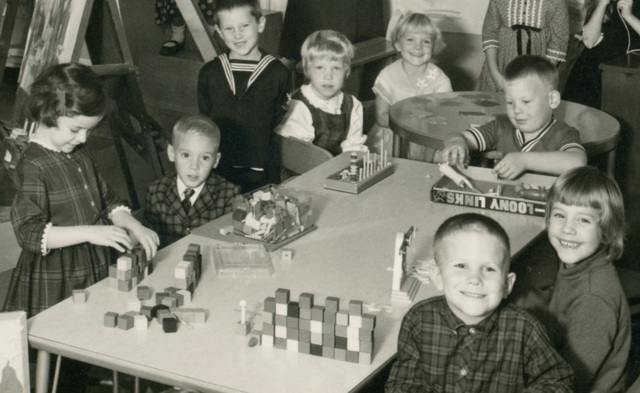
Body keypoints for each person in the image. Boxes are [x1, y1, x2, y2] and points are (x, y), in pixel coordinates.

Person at [2, 63, 159, 392]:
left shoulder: (80, 152)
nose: (84, 138)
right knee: (60, 358)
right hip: (55, 279)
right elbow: (29, 232)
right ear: (48, 112)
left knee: (89, 343)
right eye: (76, 129)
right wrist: (91, 231)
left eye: (89, 130)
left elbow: (108, 201)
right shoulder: (33, 163)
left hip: (90, 269)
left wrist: (131, 222)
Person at [385, 213, 574, 392]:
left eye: (489, 269)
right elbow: (403, 383)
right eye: (461, 266)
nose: (474, 279)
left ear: (507, 284)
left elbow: (557, 380)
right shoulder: (418, 320)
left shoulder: (525, 329)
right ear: (437, 276)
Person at [544, 166, 630, 392]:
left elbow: (569, 381)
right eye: (560, 215)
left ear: (606, 230)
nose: (567, 229)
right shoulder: (576, 264)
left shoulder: (593, 299)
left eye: (583, 220)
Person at [440, 55, 587, 180]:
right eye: (510, 102)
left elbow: (578, 162)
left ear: (552, 100)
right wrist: (456, 143)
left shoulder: (562, 133)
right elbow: (459, 136)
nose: (516, 110)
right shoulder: (501, 126)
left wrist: (525, 161)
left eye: (526, 101)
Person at [197, 0, 289, 193]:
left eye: (245, 26)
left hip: (262, 173)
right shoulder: (209, 72)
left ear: (261, 24)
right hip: (219, 173)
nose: (237, 35)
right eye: (229, 28)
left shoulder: (278, 73)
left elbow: (278, 118)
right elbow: (206, 119)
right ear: (219, 32)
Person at [145, 114, 241, 247]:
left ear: (216, 160)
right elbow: (149, 240)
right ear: (171, 153)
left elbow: (228, 245)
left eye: (205, 158)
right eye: (186, 155)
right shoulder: (157, 190)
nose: (194, 166)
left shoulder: (229, 194)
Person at [368, 12, 452, 161]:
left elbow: (445, 118)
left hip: (427, 137)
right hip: (392, 135)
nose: (418, 47)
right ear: (398, 45)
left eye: (426, 41)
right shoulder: (387, 75)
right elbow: (381, 117)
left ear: (434, 46)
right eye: (410, 39)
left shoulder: (440, 79)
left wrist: (425, 130)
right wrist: (413, 126)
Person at [275, 30, 367, 156]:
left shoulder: (352, 105)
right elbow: (295, 155)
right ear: (307, 69)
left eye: (336, 68)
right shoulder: (297, 106)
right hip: (302, 172)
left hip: (337, 170)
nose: (328, 76)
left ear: (346, 71)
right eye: (320, 68)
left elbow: (353, 149)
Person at [476, 0, 569, 92]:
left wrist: (540, 79)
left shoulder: (557, 2)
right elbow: (490, 34)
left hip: (538, 68)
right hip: (500, 66)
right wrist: (496, 76)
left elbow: (558, 43)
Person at [563, 0, 640, 109]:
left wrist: (629, 16)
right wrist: (603, 4)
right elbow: (589, 41)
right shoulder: (602, 4)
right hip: (593, 77)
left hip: (629, 78)